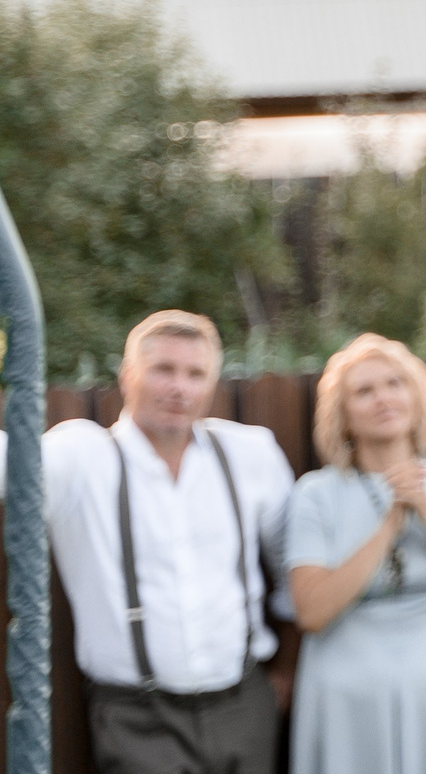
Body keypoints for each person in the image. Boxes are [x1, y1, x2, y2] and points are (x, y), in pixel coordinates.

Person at [44, 310, 296, 774]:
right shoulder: (81, 457)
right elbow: (7, 466)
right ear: (127, 376)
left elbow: (293, 571)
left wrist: (286, 671)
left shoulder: (250, 454)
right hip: (136, 717)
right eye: (163, 369)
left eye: (195, 374)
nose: (179, 388)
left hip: (244, 705)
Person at [284, 334, 426, 774]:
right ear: (343, 417)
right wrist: (388, 525)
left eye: (394, 383)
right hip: (347, 703)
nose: (383, 398)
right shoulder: (316, 494)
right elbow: (311, 611)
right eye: (364, 391)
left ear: (417, 396)